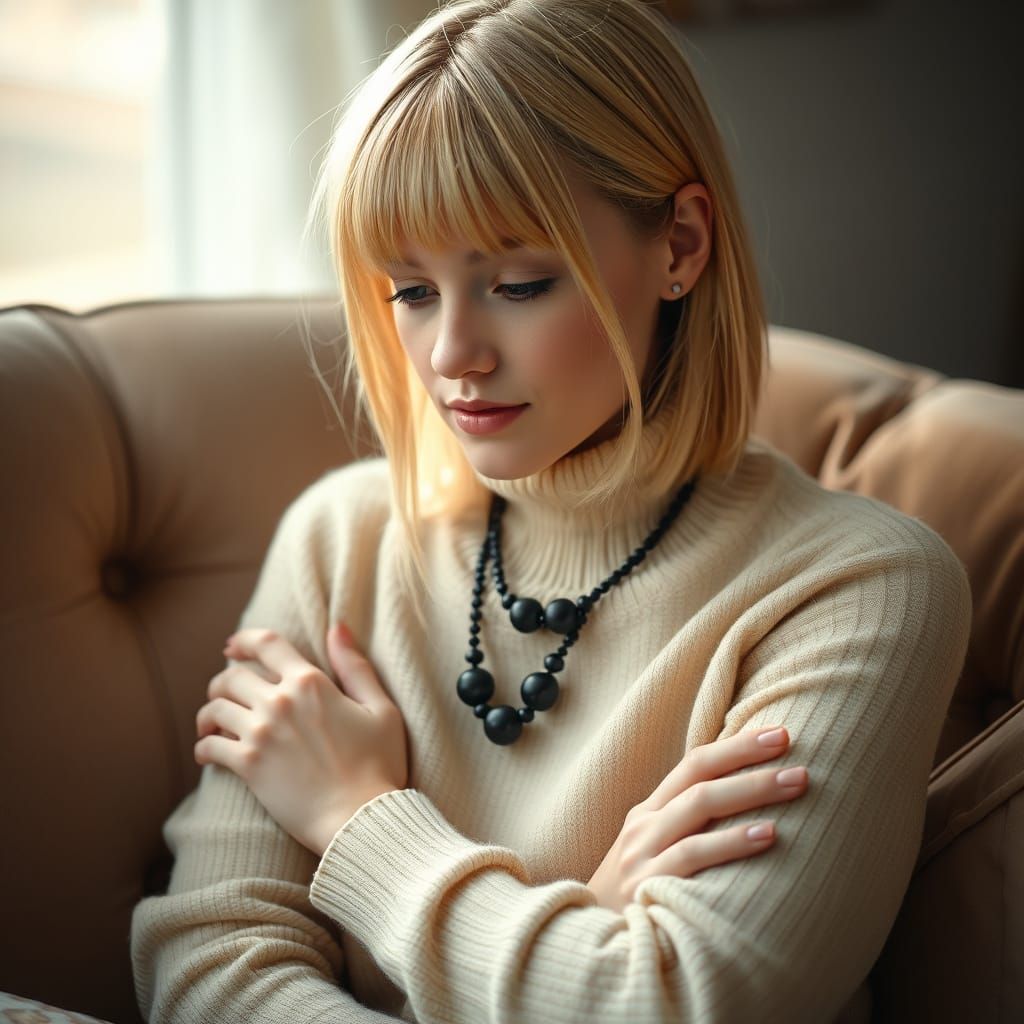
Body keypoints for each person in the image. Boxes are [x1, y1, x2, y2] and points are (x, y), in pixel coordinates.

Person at [130, 1, 973, 1021]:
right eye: (409, 290)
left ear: (682, 243)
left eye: (519, 283)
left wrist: (360, 817)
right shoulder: (338, 540)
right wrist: (576, 927)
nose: (451, 357)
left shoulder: (860, 588)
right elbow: (207, 969)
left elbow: (672, 1003)